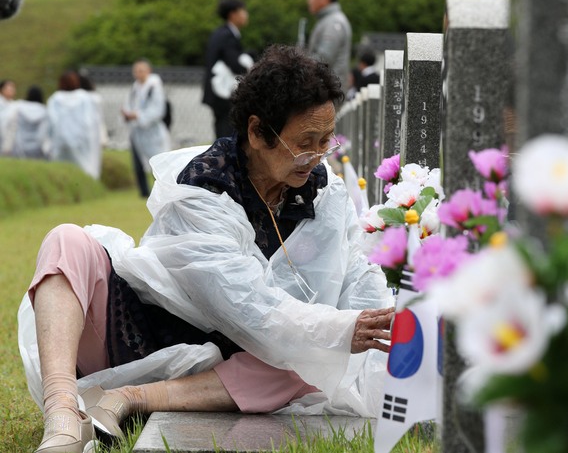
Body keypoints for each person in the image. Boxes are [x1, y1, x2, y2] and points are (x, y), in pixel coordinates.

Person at [19, 45, 394, 453]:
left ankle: (129, 398)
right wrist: (339, 328)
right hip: (137, 335)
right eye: (306, 142)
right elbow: (249, 308)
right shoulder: (203, 190)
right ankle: (62, 416)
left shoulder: (321, 190)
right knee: (67, 240)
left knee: (311, 360)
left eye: (327, 141)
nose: (318, 156)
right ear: (257, 132)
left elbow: (356, 265)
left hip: (229, 375)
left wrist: (383, 321)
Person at [202, 0, 254, 140]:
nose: (245, 15)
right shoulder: (228, 35)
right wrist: (249, 61)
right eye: (243, 11)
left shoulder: (220, 33)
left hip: (216, 91)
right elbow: (235, 64)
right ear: (233, 14)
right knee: (227, 135)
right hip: (223, 92)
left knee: (222, 131)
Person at [122, 59, 172, 197]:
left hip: (153, 132)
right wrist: (127, 114)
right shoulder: (135, 87)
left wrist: (137, 115)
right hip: (138, 132)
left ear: (148, 71)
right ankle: (144, 192)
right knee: (138, 163)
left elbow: (158, 110)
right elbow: (128, 104)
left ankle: (163, 191)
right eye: (136, 71)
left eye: (141, 70)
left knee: (159, 163)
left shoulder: (154, 86)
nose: (139, 74)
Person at [47, 70, 104, 179]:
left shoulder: (55, 99)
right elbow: (89, 121)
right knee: (85, 168)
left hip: (60, 141)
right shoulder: (84, 98)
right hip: (81, 140)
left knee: (61, 170)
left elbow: (52, 120)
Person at [306, 0, 352, 93]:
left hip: (329, 96)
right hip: (327, 93)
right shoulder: (329, 20)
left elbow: (323, 59)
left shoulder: (333, 22)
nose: (309, 0)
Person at [1, 85, 50, 159]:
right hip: (37, 149)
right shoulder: (44, 111)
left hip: (18, 147)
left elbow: (9, 126)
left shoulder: (18, 107)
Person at [0, 79, 17, 153]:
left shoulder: (15, 105)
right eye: (9, 88)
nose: (12, 90)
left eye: (13, 88)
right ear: (2, 90)